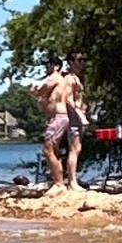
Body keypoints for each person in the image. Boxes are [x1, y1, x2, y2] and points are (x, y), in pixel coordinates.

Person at [31, 55, 69, 191]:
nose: (47, 67)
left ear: (57, 66)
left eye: (50, 64)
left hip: (58, 117)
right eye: (46, 64)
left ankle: (59, 183)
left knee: (48, 149)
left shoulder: (54, 77)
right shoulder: (58, 80)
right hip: (56, 117)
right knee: (53, 150)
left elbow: (42, 89)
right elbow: (43, 100)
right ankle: (58, 182)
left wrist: (34, 90)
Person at [63, 52, 89, 191]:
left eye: (84, 59)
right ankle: (72, 182)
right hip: (74, 117)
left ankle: (73, 180)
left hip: (79, 116)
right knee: (74, 148)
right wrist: (80, 115)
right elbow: (68, 99)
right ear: (71, 62)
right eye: (80, 60)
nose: (82, 62)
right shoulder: (69, 79)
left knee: (77, 148)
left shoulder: (77, 78)